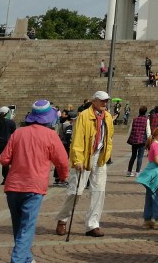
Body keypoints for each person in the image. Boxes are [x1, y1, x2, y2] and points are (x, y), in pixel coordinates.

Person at [0, 99, 68, 263]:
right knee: (27, 227)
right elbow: (62, 161)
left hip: (13, 186)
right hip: (34, 186)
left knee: (19, 226)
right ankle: (18, 260)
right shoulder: (51, 135)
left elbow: (4, 159)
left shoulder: (18, 133)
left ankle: (27, 258)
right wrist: (63, 176)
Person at [55, 90, 114, 238]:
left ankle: (92, 224)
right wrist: (77, 159)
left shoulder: (107, 116)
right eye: (102, 100)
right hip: (84, 155)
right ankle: (63, 219)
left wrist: (107, 154)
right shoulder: (84, 116)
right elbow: (77, 139)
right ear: (94, 101)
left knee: (99, 192)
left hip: (100, 156)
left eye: (106, 101)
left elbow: (109, 137)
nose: (105, 103)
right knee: (75, 191)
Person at [127, 105, 151, 177]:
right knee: (140, 157)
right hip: (142, 140)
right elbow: (148, 131)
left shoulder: (134, 119)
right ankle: (137, 172)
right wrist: (149, 140)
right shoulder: (146, 120)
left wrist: (129, 138)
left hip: (134, 140)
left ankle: (129, 171)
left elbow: (130, 130)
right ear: (145, 112)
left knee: (133, 156)